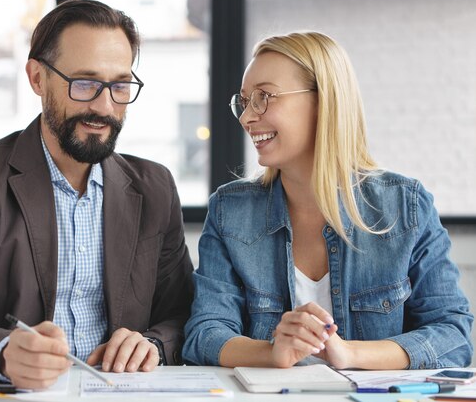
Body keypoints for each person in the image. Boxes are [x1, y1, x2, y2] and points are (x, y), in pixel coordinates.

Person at [0, 0, 194, 389]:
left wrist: (153, 343)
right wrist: (5, 353)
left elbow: (184, 314)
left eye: (119, 85)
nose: (104, 106)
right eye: (84, 83)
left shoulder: (155, 187)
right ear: (37, 79)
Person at [182, 31, 473, 370]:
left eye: (264, 97)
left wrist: (350, 354)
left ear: (324, 101)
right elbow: (205, 332)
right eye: (245, 101)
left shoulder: (406, 207)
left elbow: (453, 336)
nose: (247, 117)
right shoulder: (229, 210)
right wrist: (273, 351)